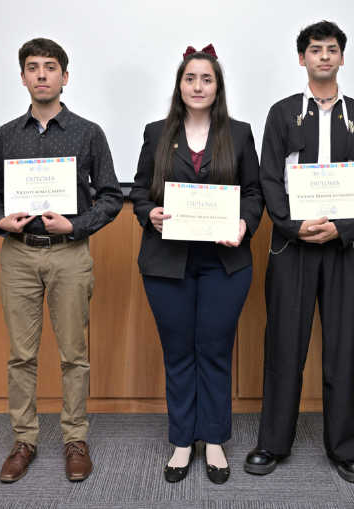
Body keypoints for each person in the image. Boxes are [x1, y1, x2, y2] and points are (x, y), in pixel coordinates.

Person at [244, 21, 354, 483]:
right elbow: (268, 179)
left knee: (343, 349)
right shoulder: (282, 113)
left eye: (332, 50)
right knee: (284, 346)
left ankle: (345, 448)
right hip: (292, 246)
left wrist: (340, 228)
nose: (324, 56)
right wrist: (294, 225)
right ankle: (273, 442)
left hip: (344, 249)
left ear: (342, 57)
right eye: (314, 50)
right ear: (301, 58)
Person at [0, 38, 123, 483]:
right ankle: (24, 439)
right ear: (22, 76)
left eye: (50, 67)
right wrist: (0, 222)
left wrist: (75, 226)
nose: (41, 74)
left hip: (69, 255)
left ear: (65, 76)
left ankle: (74, 440)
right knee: (21, 357)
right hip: (18, 257)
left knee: (73, 356)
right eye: (32, 67)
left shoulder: (88, 132)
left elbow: (113, 197)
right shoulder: (6, 134)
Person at [131, 45, 264, 484]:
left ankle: (214, 439)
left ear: (218, 86)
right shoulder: (156, 133)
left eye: (206, 79)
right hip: (167, 262)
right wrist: (147, 214)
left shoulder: (240, 134)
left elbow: (254, 194)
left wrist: (245, 223)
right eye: (191, 78)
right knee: (178, 353)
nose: (198, 86)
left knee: (214, 350)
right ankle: (182, 440)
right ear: (180, 84)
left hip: (224, 264)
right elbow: (138, 192)